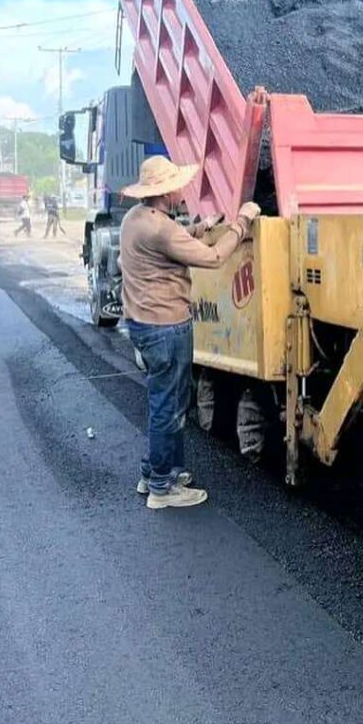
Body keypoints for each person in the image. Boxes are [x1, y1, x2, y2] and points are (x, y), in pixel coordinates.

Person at [120, 155, 261, 510]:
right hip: (165, 328)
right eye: (178, 187)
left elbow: (172, 241)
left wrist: (200, 228)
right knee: (168, 406)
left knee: (164, 402)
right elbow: (214, 258)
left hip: (145, 325)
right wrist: (242, 222)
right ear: (166, 193)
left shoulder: (134, 219)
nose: (183, 191)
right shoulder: (161, 229)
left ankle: (157, 472)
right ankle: (162, 488)